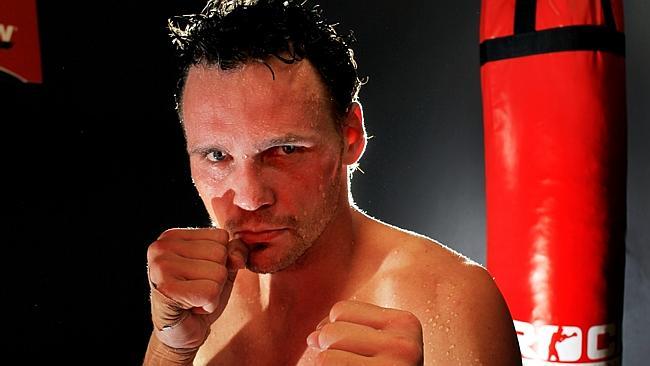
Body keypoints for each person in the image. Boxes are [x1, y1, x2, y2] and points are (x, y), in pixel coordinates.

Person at [144, 0, 522, 364]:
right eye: (216, 156)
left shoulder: (448, 300)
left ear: (350, 136)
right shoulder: (198, 299)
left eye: (286, 149)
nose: (249, 197)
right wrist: (170, 351)